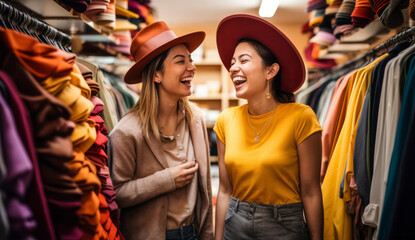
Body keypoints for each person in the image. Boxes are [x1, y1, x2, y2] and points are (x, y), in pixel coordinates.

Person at [213, 14, 323, 240]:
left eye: (243, 60)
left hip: (284, 226)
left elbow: (311, 191)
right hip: (235, 222)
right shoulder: (226, 120)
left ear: (270, 71)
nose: (233, 68)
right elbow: (224, 189)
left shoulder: (301, 117)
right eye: (232, 62)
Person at [109, 21, 213, 240]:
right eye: (180, 61)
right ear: (156, 75)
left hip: (193, 233)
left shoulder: (195, 120)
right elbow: (117, 194)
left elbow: (205, 191)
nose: (191, 68)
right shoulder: (126, 132)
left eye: (190, 60)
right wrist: (166, 180)